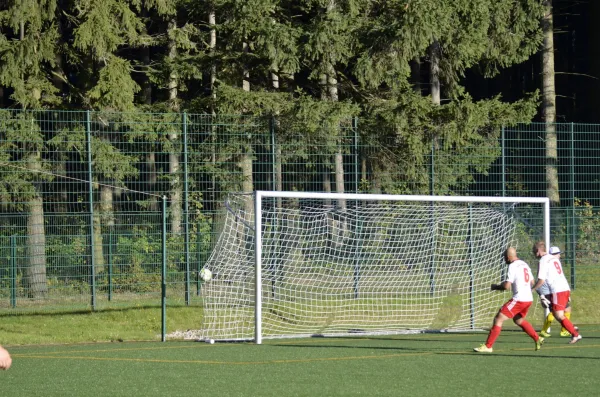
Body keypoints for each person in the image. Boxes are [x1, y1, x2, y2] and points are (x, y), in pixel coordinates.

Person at [474, 247, 544, 353]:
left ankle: (488, 346)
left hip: (519, 299)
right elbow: (532, 281)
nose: (504, 260)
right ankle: (537, 338)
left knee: (498, 319)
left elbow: (506, 286)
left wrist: (496, 287)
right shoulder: (524, 264)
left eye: (504, 257)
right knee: (518, 320)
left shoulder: (512, 266)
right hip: (528, 298)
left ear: (508, 257)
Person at [532, 241, 582, 344]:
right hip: (565, 288)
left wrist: (532, 290)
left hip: (557, 290)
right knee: (557, 312)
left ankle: (575, 334)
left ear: (538, 251)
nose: (534, 254)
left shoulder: (543, 260)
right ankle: (573, 329)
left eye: (534, 252)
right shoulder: (554, 259)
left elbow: (541, 280)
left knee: (558, 315)